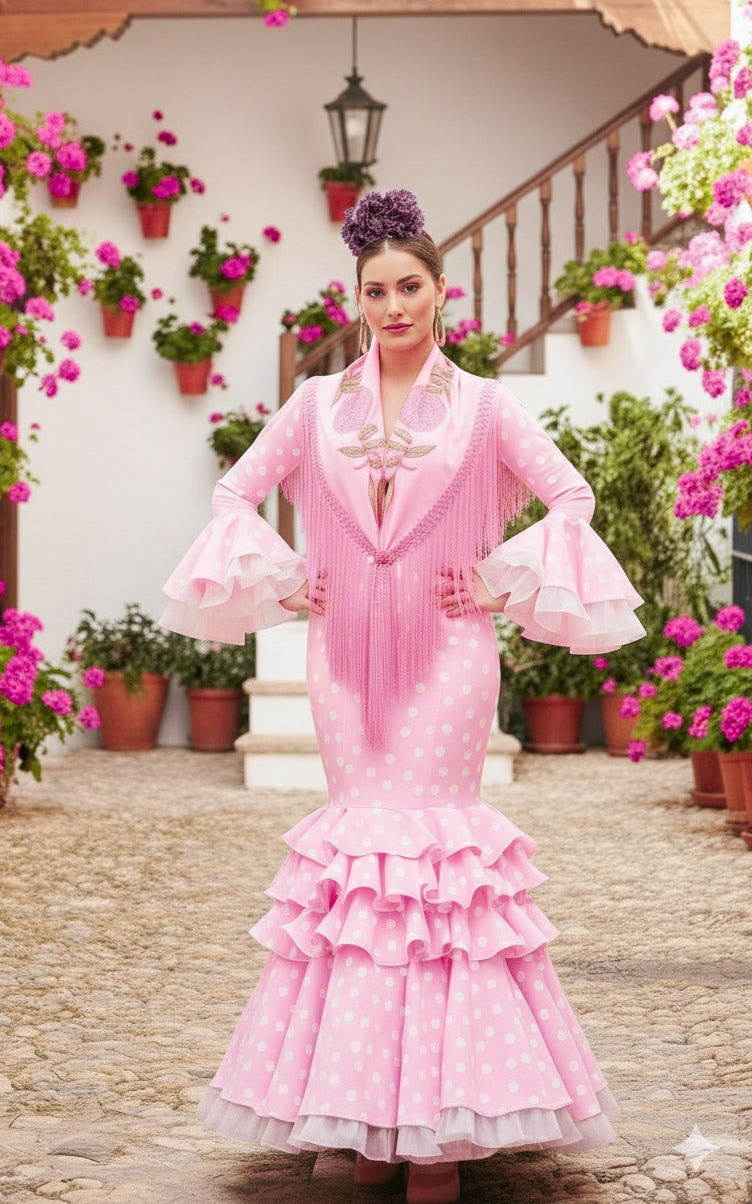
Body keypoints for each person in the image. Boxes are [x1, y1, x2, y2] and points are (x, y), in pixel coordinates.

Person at [159, 189, 646, 1204]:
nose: (392, 305)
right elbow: (232, 494)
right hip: (341, 658)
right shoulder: (313, 408)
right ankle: (360, 1113)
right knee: (361, 874)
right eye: (375, 289)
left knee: (433, 872)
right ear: (358, 299)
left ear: (438, 293)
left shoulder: (482, 407)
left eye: (408, 286)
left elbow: (570, 496)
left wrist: (501, 582)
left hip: (450, 656)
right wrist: (289, 581)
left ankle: (434, 1134)